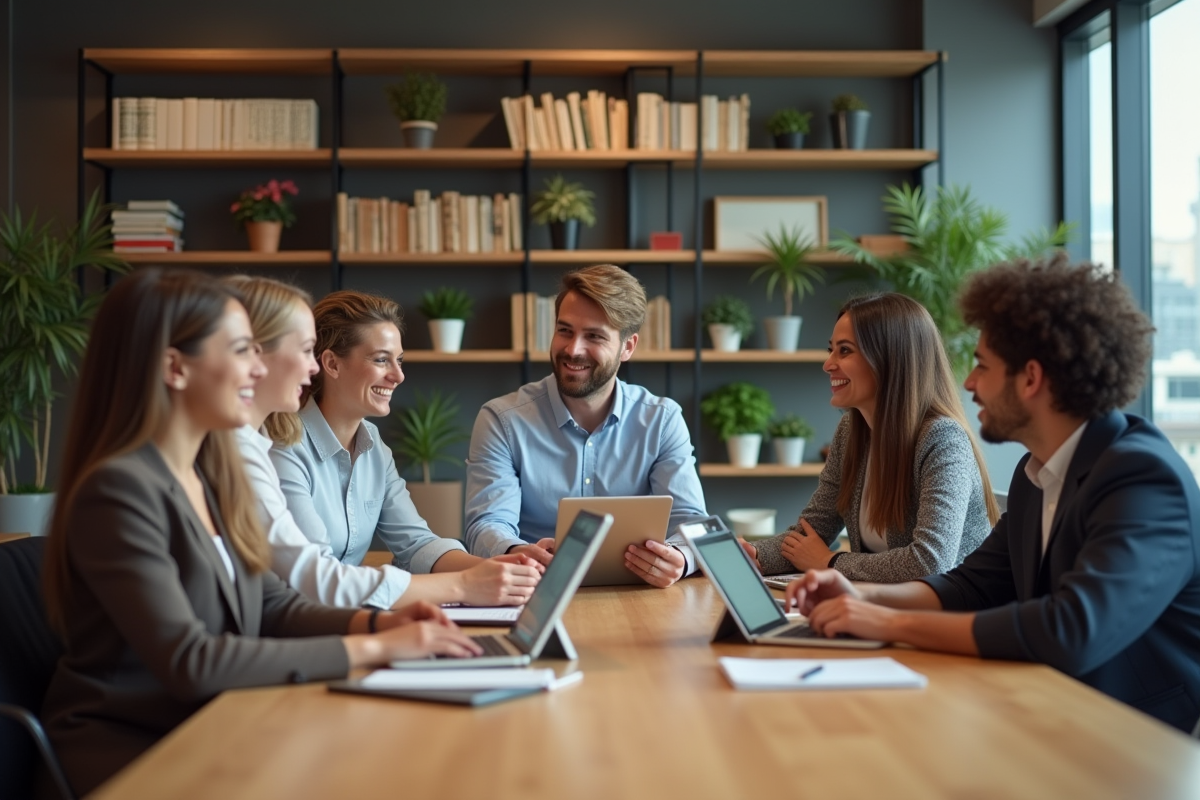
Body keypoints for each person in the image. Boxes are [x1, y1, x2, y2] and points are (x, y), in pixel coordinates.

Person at [40, 269, 482, 796]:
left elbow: (274, 606)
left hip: (212, 722)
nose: (258, 367)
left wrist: (376, 624)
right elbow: (191, 661)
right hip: (135, 751)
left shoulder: (211, 475)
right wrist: (375, 649)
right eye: (242, 349)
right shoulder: (120, 490)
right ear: (175, 368)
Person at [785, 257, 1200, 733]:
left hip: (1136, 738)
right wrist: (865, 594)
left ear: (1030, 378)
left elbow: (1071, 630)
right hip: (1048, 711)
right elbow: (971, 585)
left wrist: (885, 621)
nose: (968, 382)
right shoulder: (1035, 473)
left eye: (982, 365)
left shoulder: (1142, 478)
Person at [225, 276, 537, 609]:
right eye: (380, 359)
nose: (398, 375)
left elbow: (416, 543)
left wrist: (502, 571)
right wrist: (463, 585)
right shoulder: (281, 445)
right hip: (305, 617)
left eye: (398, 360)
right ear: (331, 363)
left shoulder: (372, 443)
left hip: (340, 614)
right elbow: (316, 574)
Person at [463, 264, 708, 588]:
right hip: (534, 590)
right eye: (565, 330)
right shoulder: (502, 420)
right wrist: (517, 550)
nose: (573, 349)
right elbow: (486, 524)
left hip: (637, 595)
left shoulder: (661, 420)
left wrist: (681, 559)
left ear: (628, 347)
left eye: (593, 336)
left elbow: (692, 523)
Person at [743, 293, 999, 583]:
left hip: (949, 618)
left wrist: (831, 562)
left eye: (844, 351)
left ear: (890, 359)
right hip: (883, 606)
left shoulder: (943, 440)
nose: (828, 364)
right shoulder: (851, 433)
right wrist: (753, 554)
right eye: (831, 350)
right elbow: (811, 532)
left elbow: (931, 561)